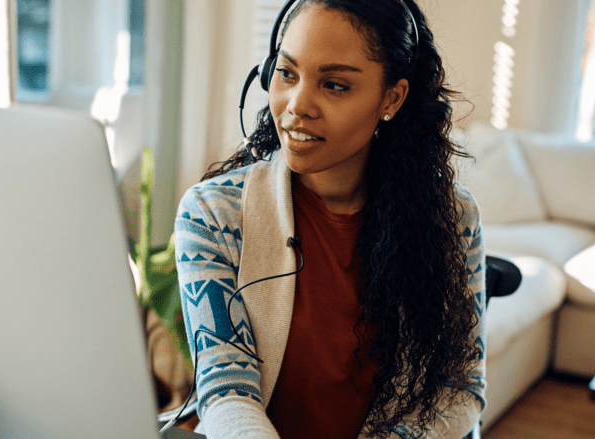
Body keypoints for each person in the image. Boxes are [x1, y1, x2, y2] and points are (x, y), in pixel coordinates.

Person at [174, 0, 485, 438]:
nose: (297, 105)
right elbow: (227, 393)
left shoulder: (452, 218)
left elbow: (459, 388)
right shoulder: (213, 214)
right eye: (287, 73)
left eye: (335, 85)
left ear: (391, 99)